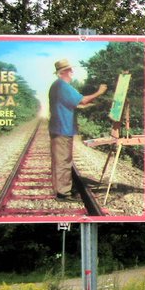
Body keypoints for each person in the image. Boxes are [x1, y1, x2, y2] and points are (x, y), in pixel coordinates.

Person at [49, 58, 107, 201]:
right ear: (63, 72)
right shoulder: (62, 86)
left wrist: (93, 105)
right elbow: (82, 100)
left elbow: (75, 104)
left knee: (62, 160)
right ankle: (63, 193)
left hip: (59, 127)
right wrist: (99, 92)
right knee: (63, 161)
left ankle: (63, 188)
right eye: (69, 70)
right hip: (62, 128)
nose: (72, 72)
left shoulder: (57, 86)